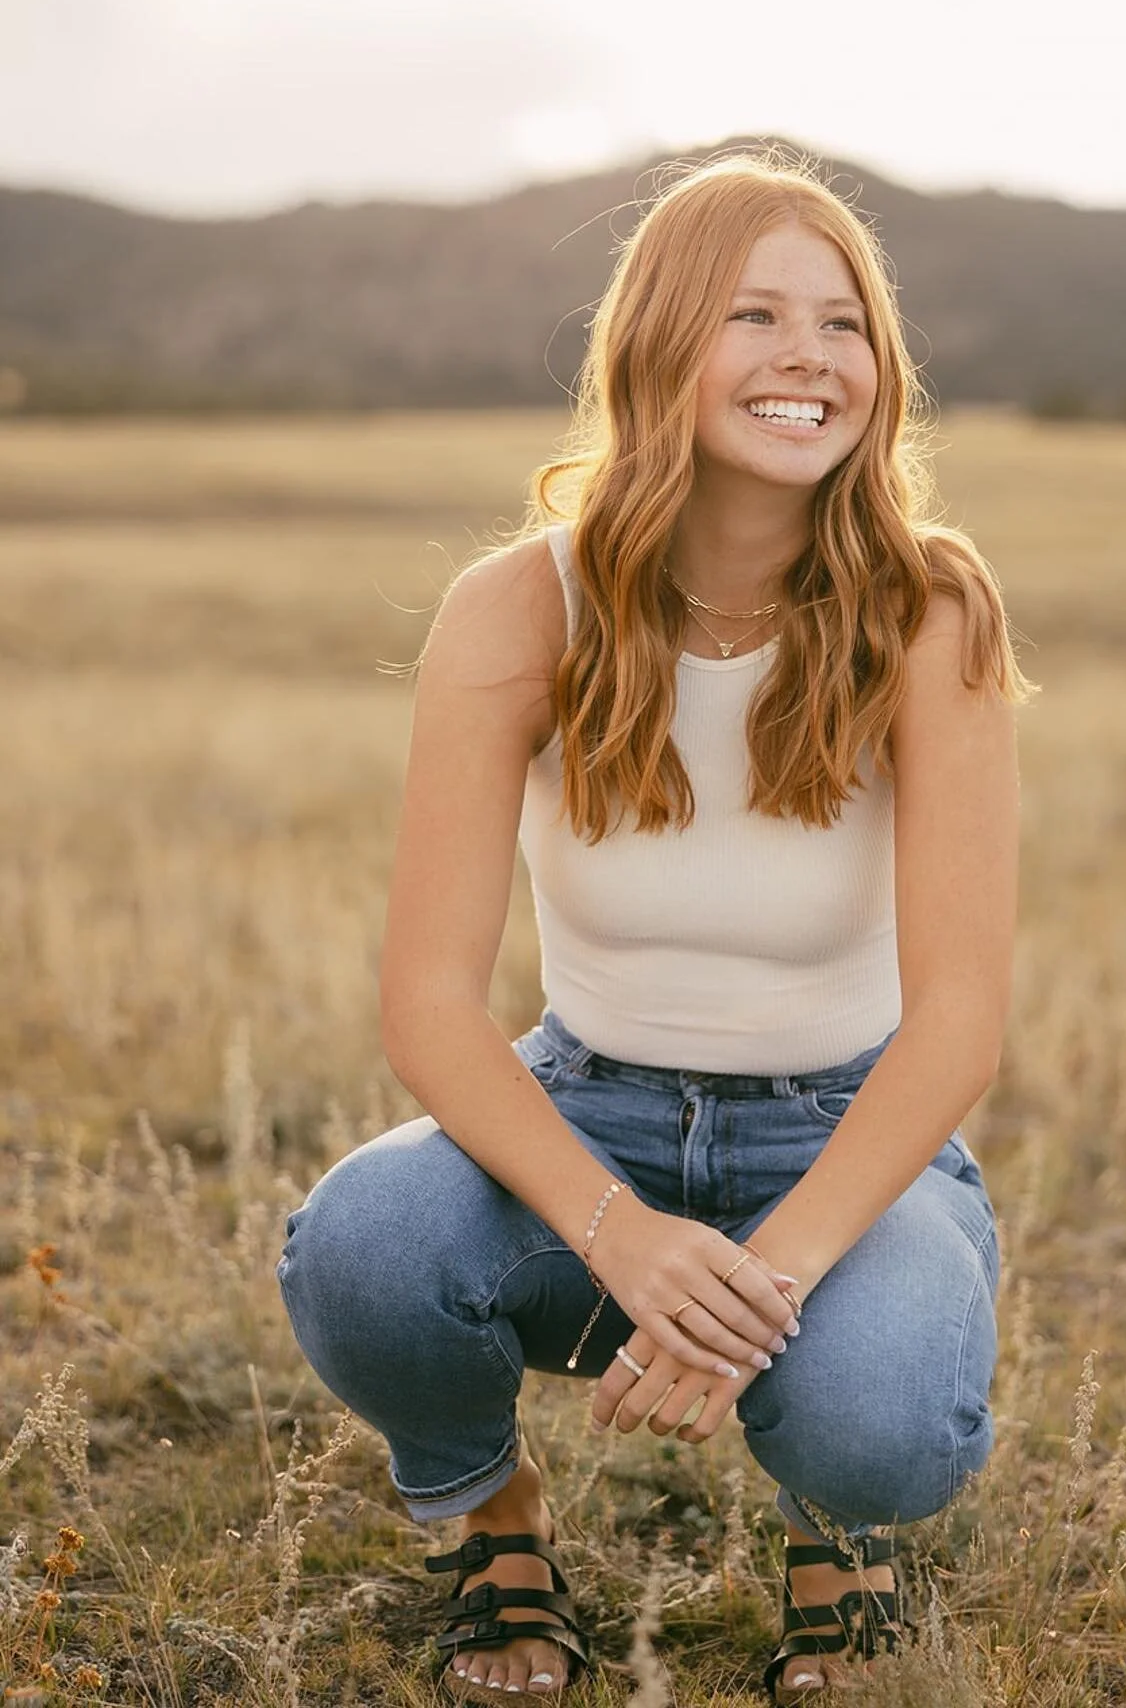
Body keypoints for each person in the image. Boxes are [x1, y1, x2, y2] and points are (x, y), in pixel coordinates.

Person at [277, 149, 1030, 1702]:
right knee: (363, 1244)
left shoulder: (929, 609)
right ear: (658, 347)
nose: (811, 356)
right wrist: (621, 1233)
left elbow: (960, 1017)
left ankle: (838, 1528)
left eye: (845, 322)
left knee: (880, 1420)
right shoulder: (518, 607)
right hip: (585, 1109)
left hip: (845, 1142)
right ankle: (492, 1520)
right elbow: (429, 1001)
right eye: (756, 314)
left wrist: (752, 1296)